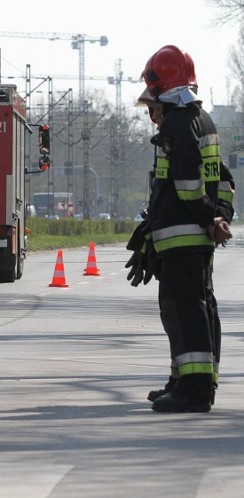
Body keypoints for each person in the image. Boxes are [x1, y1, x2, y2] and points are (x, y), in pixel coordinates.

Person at [127, 45, 232, 413]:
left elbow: (187, 183)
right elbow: (223, 180)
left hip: (184, 236)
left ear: (160, 87)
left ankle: (195, 389)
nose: (151, 116)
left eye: (151, 104)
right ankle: (187, 380)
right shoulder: (203, 120)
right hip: (192, 235)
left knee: (184, 310)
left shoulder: (177, 123)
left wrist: (207, 218)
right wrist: (219, 216)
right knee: (194, 309)